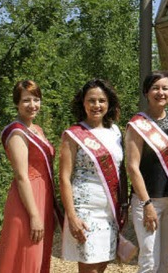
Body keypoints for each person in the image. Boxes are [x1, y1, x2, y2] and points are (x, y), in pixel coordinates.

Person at [60, 79, 124, 273]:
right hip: (85, 210)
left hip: (109, 210)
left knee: (103, 264)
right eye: (91, 100)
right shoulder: (73, 134)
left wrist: (124, 204)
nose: (97, 105)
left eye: (102, 100)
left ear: (109, 103)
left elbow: (121, 170)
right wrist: (71, 216)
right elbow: (64, 177)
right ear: (83, 103)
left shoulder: (115, 131)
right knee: (89, 268)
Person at [0, 80, 60, 273]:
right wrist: (34, 215)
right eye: (26, 100)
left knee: (39, 255)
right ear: (16, 103)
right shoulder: (16, 132)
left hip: (43, 196)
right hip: (27, 200)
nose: (32, 105)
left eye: (36, 99)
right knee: (26, 255)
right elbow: (22, 176)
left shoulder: (36, 129)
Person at [126, 71, 168, 273]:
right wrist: (147, 203)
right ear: (146, 92)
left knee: (166, 259)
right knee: (149, 260)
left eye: (165, 88)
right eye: (155, 88)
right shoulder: (137, 124)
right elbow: (132, 167)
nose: (161, 92)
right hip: (147, 202)